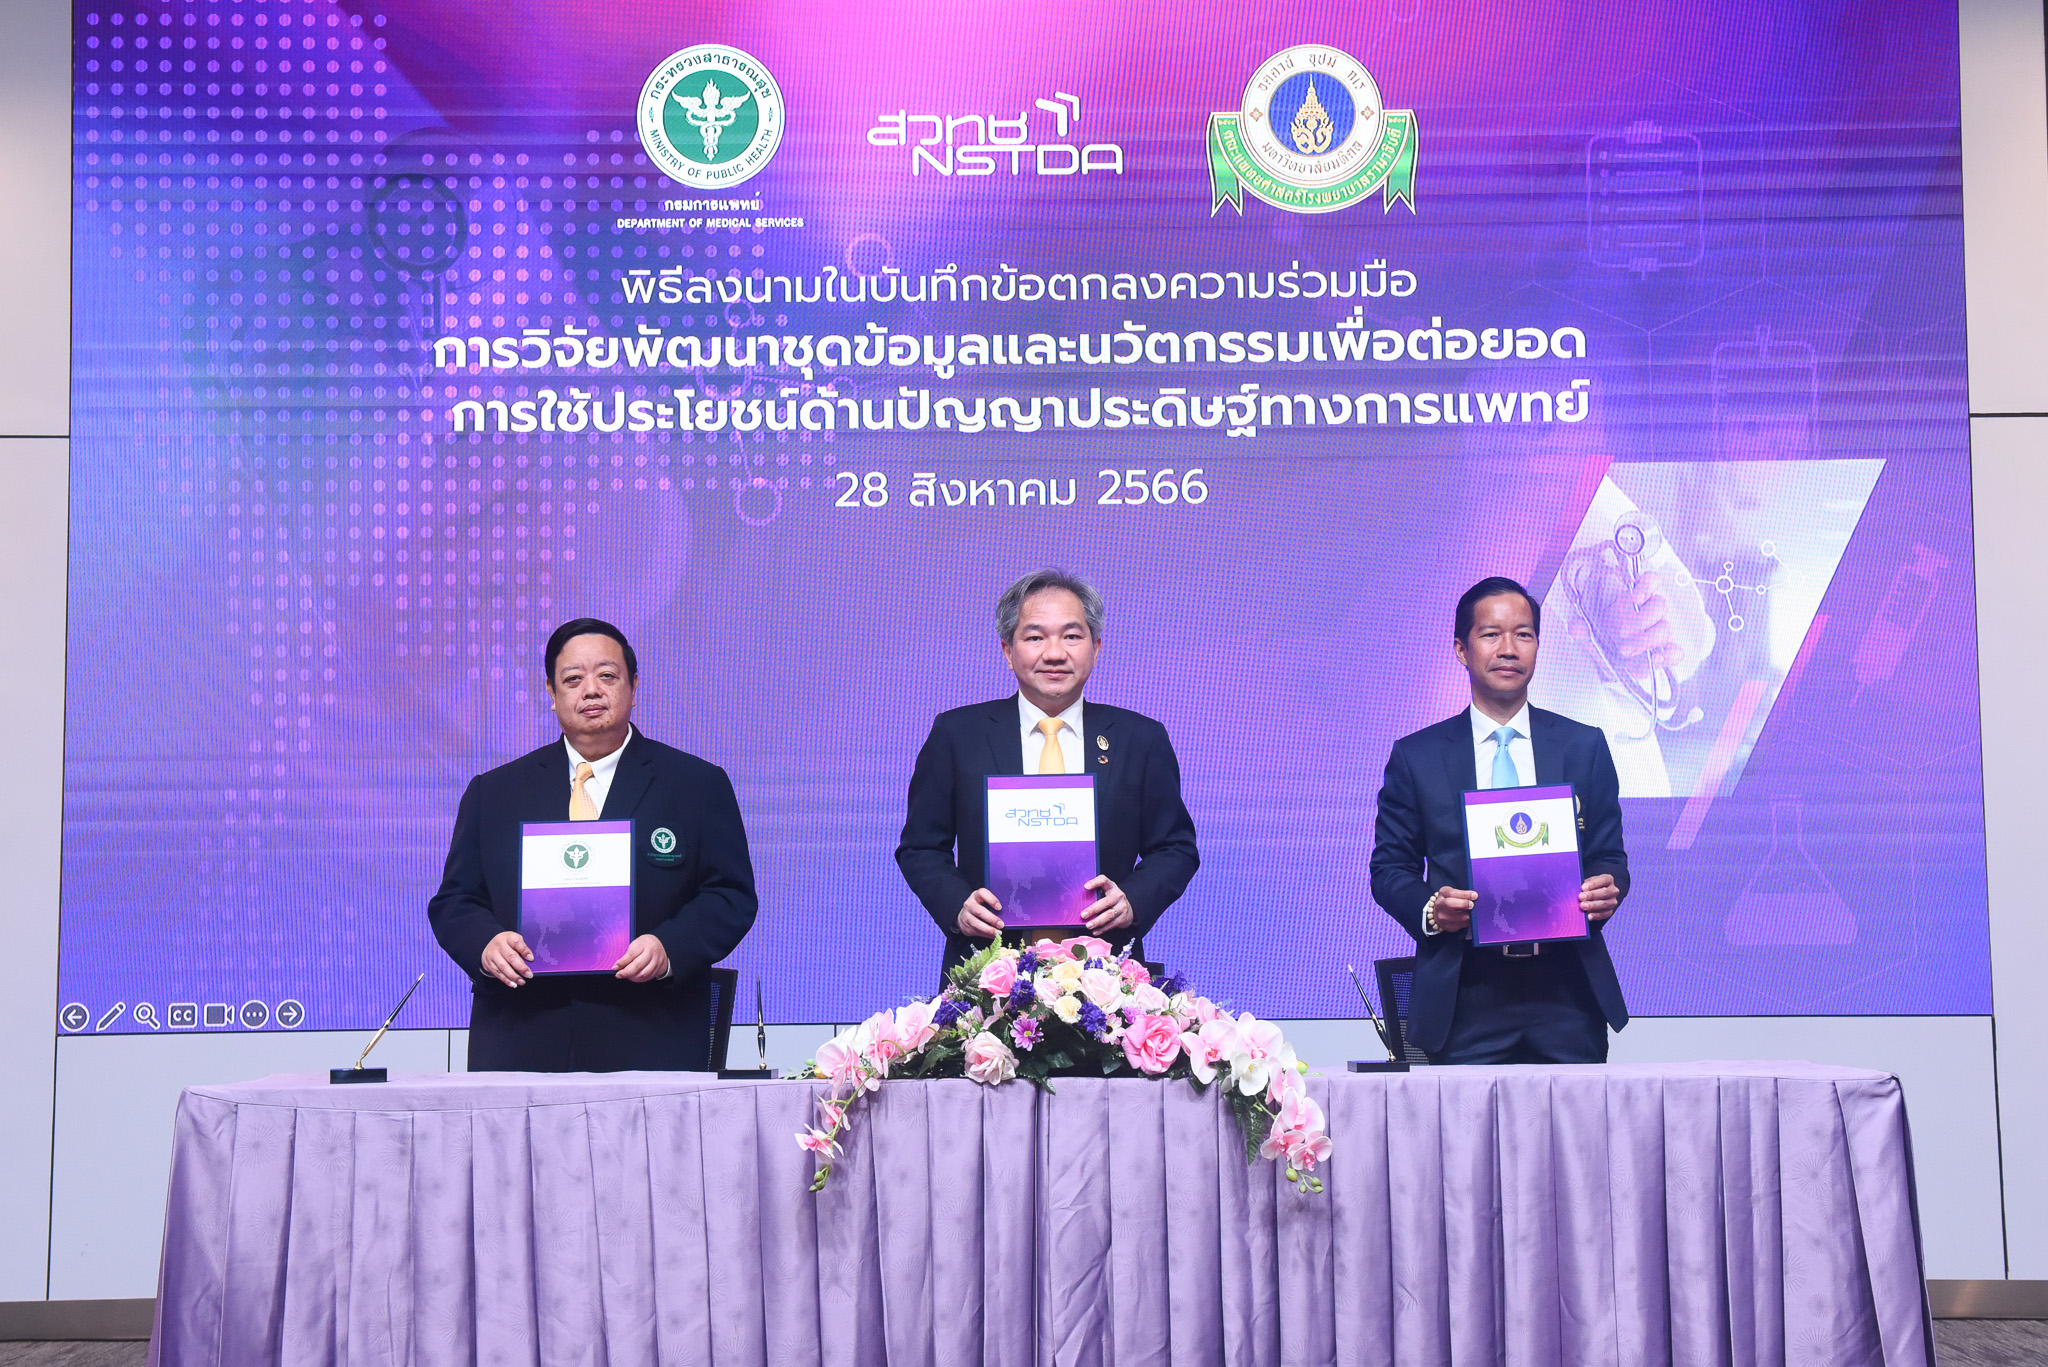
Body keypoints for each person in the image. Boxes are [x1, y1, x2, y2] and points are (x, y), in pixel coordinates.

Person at [428, 618, 758, 1071]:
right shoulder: (495, 792)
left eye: (607, 675)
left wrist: (669, 947)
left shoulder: (696, 785)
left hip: (650, 1032)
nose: (591, 691)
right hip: (521, 1034)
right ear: (551, 693)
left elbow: (730, 895)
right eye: (572, 679)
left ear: (634, 686)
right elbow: (455, 901)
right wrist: (486, 944)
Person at [1369, 577, 1630, 1064]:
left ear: (1537, 647)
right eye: (1491, 634)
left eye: (1524, 634)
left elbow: (1609, 855)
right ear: (1461, 650)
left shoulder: (1584, 745)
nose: (1509, 649)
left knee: (1577, 1118)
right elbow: (1389, 870)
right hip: (1465, 991)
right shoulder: (1417, 757)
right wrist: (1432, 909)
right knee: (1463, 1120)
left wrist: (1606, 885)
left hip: (1567, 992)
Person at [896, 569, 1200, 980]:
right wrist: (957, 905)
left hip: (1106, 977)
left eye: (1071, 636)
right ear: (1008, 650)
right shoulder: (958, 734)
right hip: (986, 974)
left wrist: (1133, 899)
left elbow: (1175, 847)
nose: (1054, 653)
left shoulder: (1140, 739)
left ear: (1095, 647)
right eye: (1035, 637)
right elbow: (920, 847)